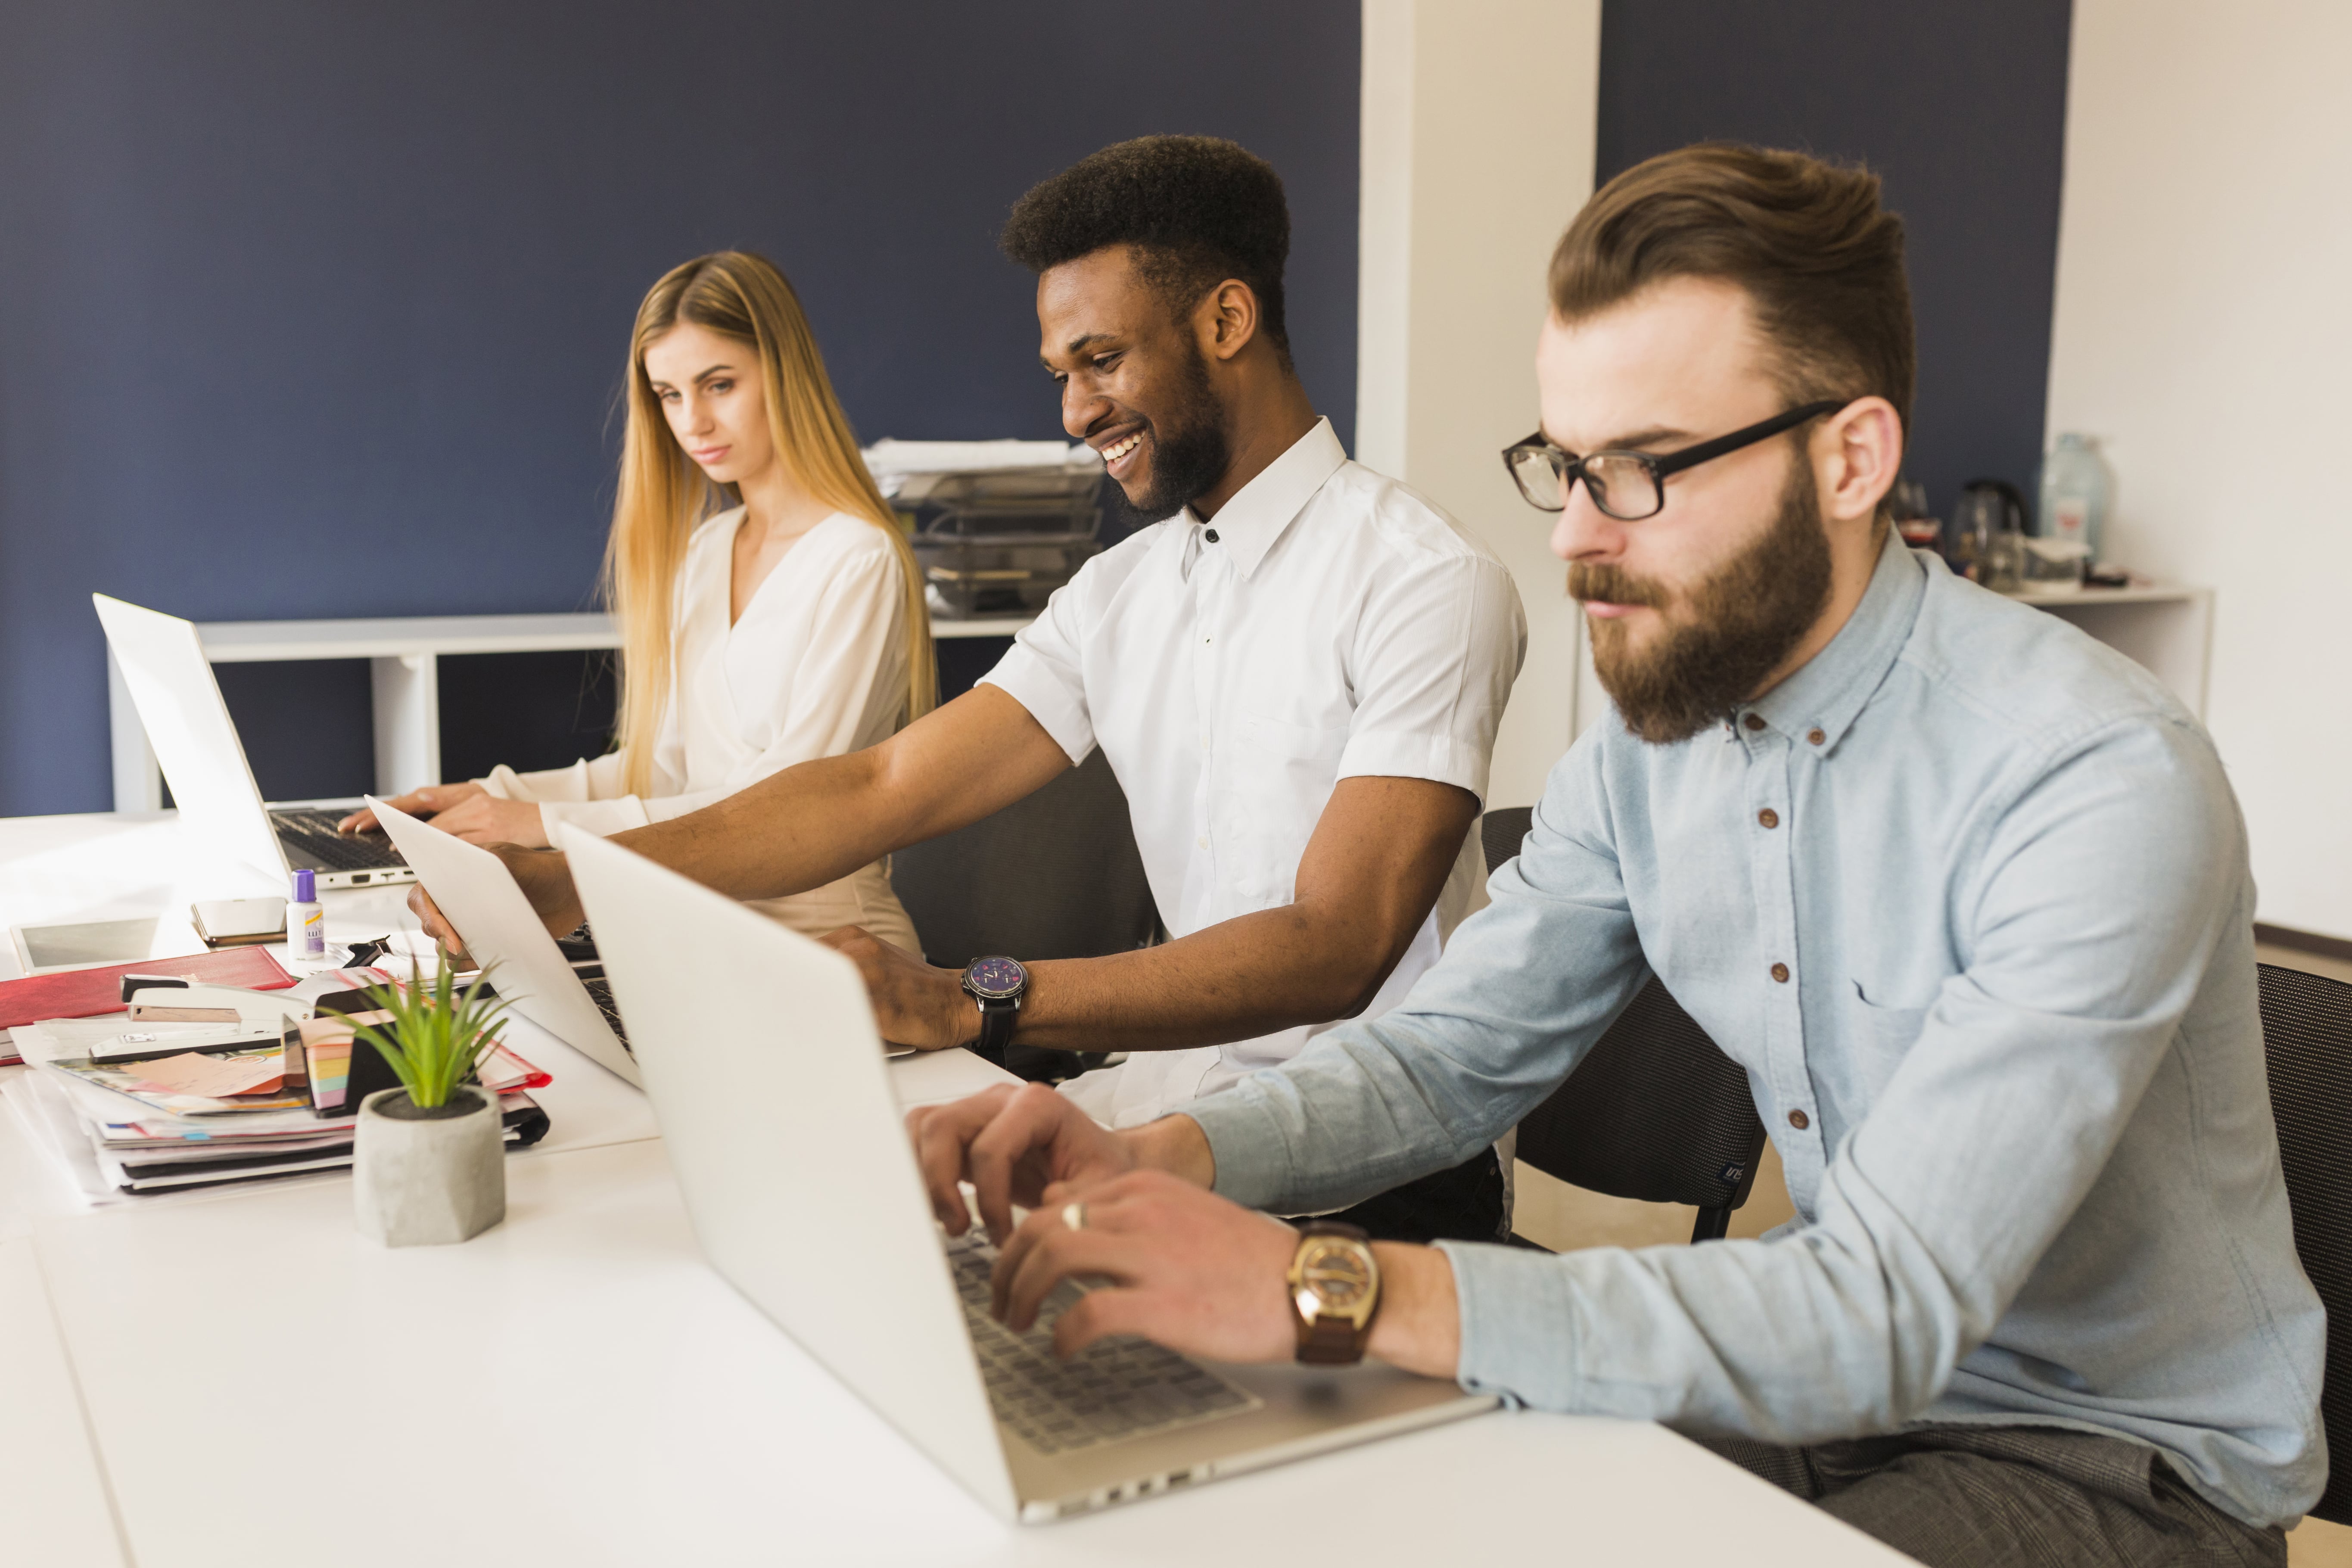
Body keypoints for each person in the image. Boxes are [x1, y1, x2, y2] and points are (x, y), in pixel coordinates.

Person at [905, 144, 2325, 1568]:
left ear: (1851, 458)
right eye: (1566, 466)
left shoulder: (2090, 777)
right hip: (1819, 1391)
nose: (1577, 538)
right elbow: (1444, 1060)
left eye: (1642, 468)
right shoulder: (1655, 749)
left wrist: (1323, 1283)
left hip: (2111, 1464)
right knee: (1379, 1510)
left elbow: (1886, 1307)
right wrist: (1158, 1153)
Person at [417, 136, 1528, 1244]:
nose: (1075, 412)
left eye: (1102, 360)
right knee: (778, 1219)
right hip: (1171, 1101)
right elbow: (877, 785)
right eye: (1062, 374)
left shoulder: (1426, 581)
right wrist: (573, 885)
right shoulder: (1123, 590)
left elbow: (1337, 941)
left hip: (1376, 1175)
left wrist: (968, 995)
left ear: (1227, 323)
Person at [348, 251, 932, 952]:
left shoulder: (857, 559)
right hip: (698, 928)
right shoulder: (709, 548)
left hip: (833, 949)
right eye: (669, 395)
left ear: (786, 374)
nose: (694, 423)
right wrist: (493, 797)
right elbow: (660, 769)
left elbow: (785, 816)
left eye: (719, 384)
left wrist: (538, 828)